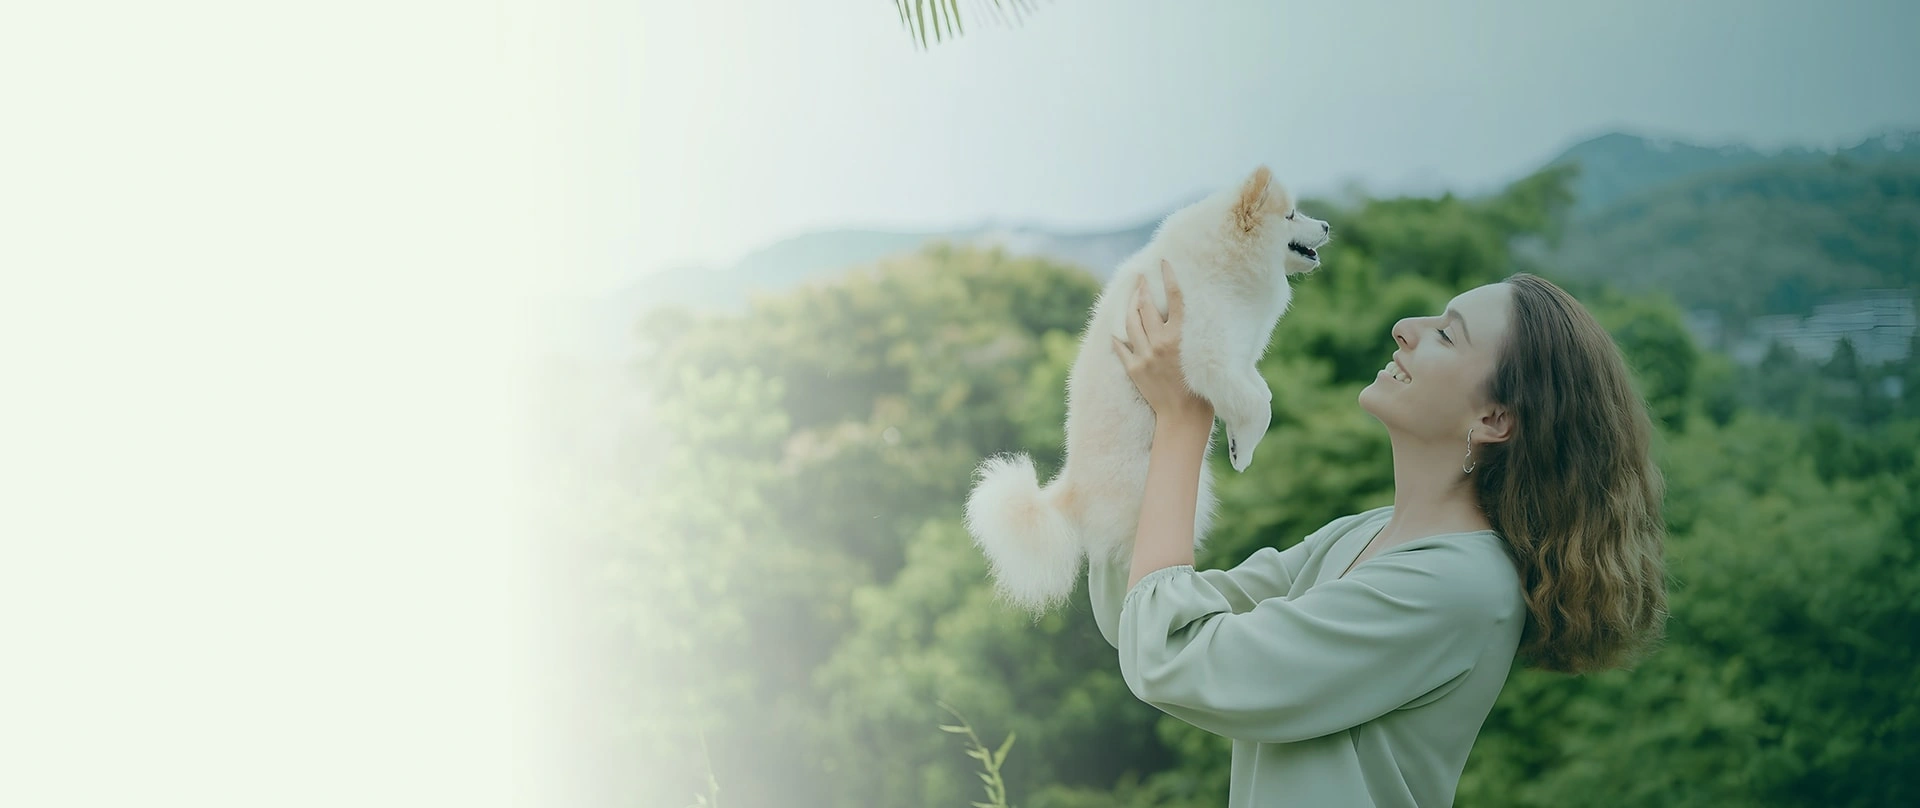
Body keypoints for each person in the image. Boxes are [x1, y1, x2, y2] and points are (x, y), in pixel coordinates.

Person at [1092, 261, 1669, 808]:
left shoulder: (1457, 585)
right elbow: (1138, 612)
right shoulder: (1363, 534)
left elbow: (1171, 656)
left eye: (1447, 335)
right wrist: (1138, 415)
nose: (1405, 329)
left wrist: (1185, 421)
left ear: (1494, 420)